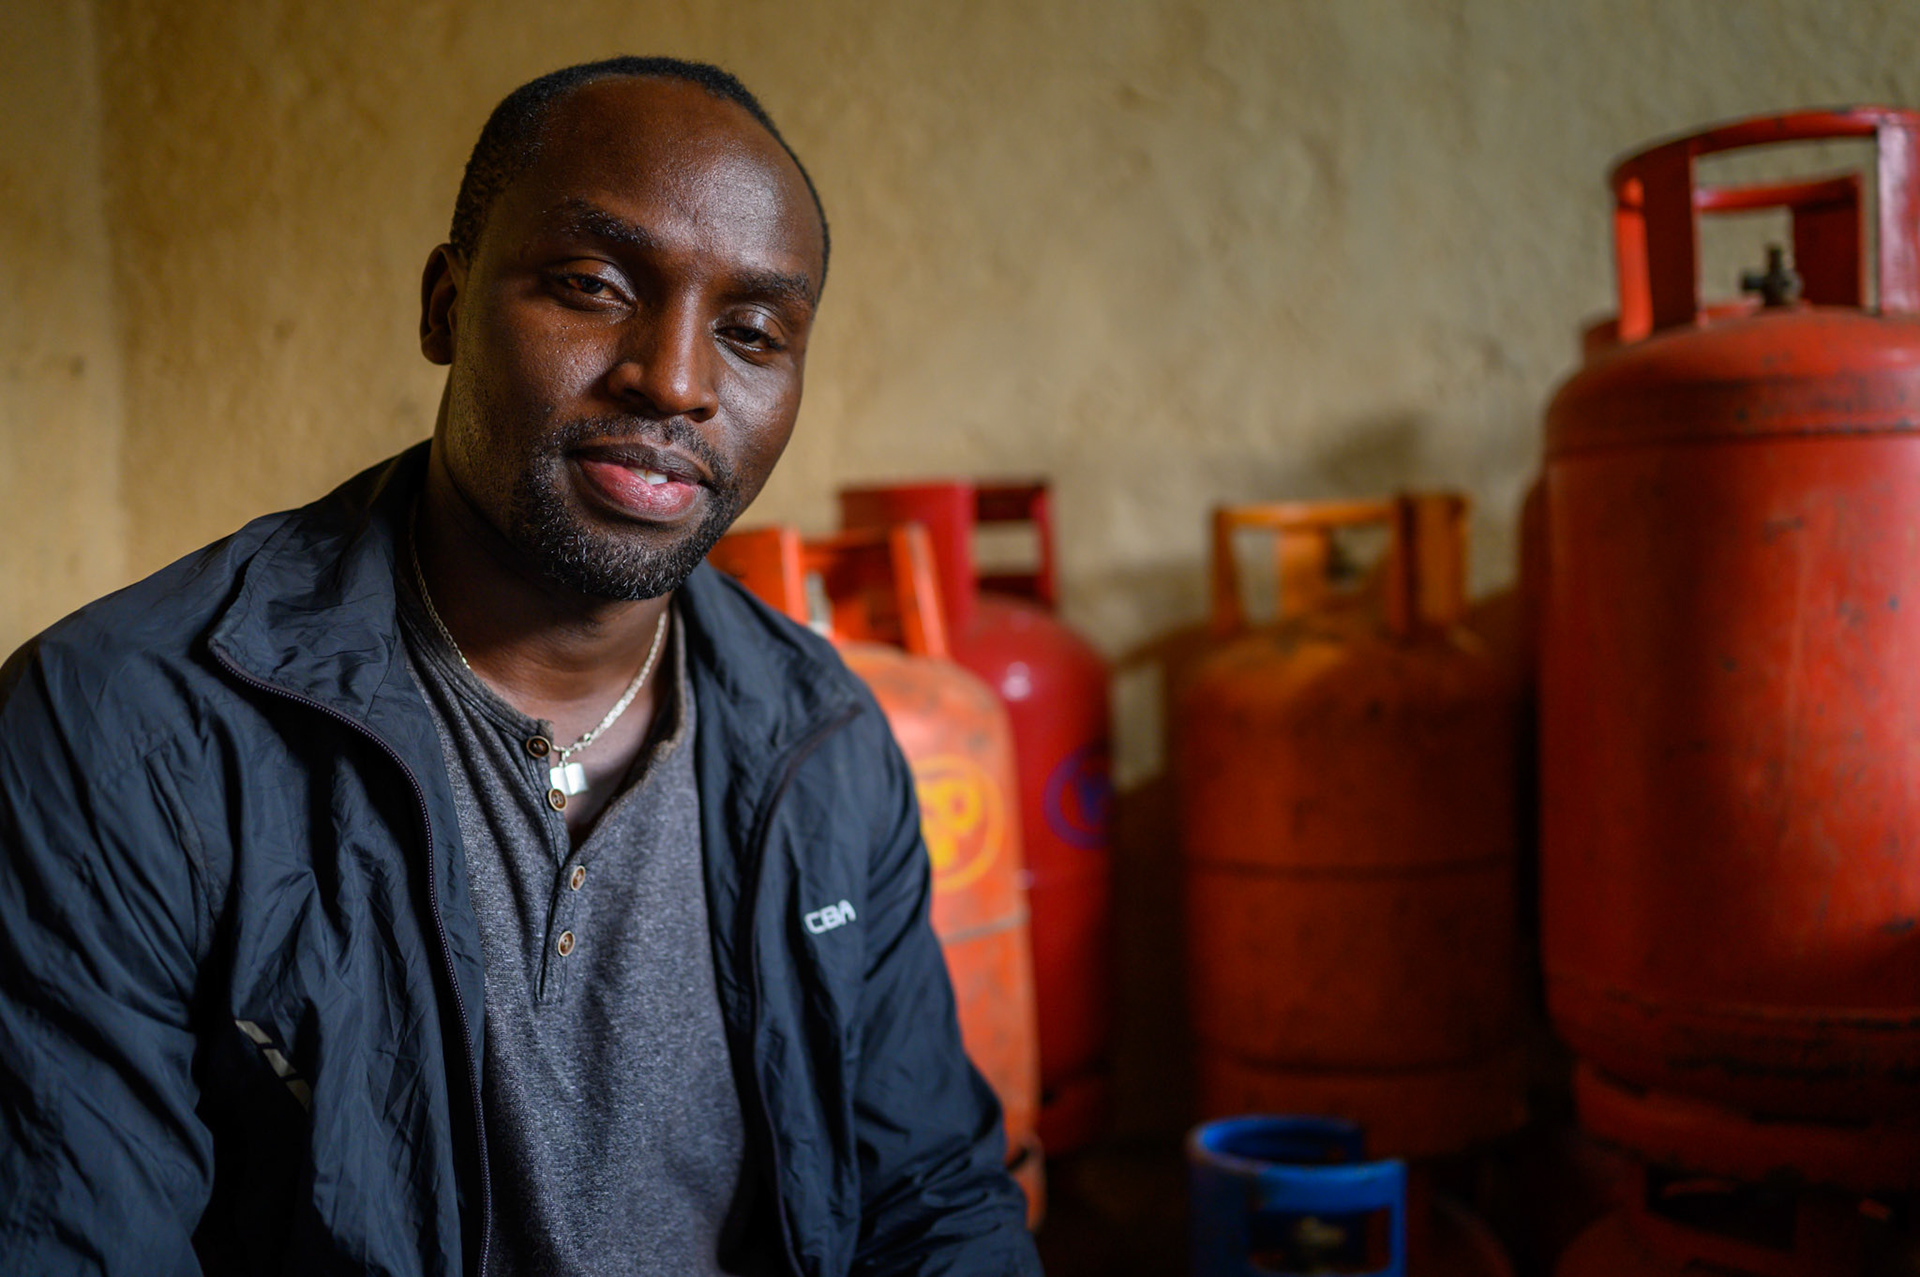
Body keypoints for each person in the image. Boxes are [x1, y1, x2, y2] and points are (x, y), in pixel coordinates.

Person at [0, 56, 1041, 1276]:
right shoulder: (124, 727)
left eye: (753, 332)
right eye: (592, 285)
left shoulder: (821, 739)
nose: (679, 378)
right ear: (445, 305)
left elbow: (931, 1196)